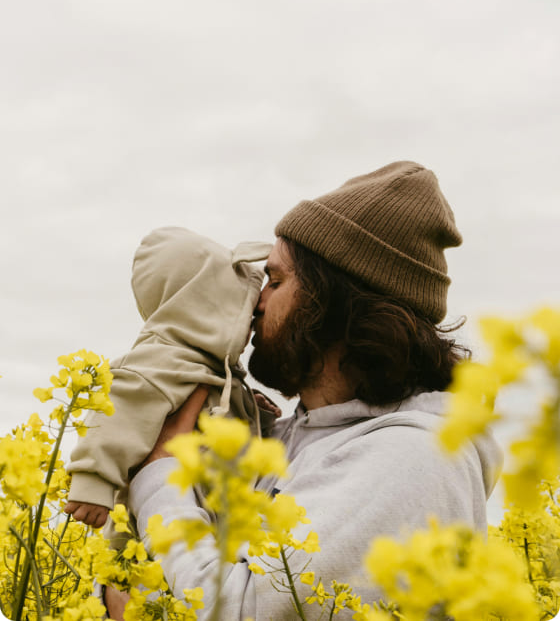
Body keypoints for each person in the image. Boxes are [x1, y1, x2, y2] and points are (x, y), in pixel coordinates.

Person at [105, 161, 503, 619]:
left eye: (276, 281)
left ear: (332, 304)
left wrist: (161, 474)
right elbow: (177, 589)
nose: (256, 301)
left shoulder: (415, 458)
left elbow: (243, 611)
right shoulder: (291, 436)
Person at [64, 226, 278, 533]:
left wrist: (256, 414)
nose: (254, 318)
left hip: (207, 530)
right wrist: (92, 481)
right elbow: (118, 411)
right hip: (153, 535)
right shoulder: (161, 361)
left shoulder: (218, 373)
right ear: (205, 309)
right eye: (242, 310)